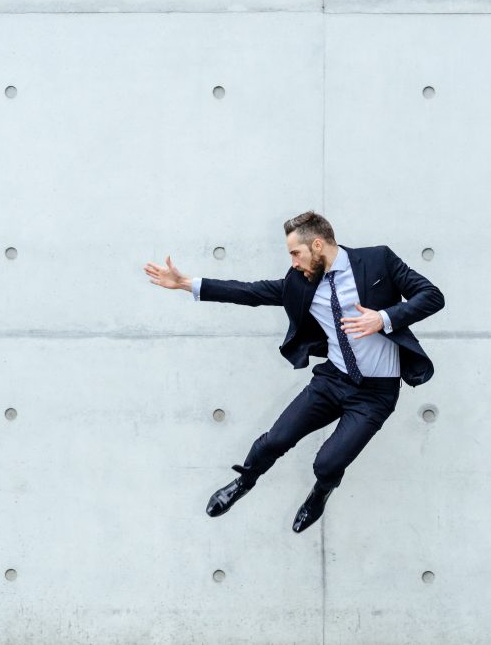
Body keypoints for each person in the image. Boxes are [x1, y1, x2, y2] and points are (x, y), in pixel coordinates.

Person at [142, 211, 444, 533]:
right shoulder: (299, 282)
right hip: (332, 380)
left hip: (375, 394)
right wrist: (186, 283)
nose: (293, 262)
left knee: (327, 464)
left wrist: (383, 318)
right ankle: (244, 481)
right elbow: (250, 292)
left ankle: (321, 492)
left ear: (317, 244)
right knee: (276, 440)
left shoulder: (377, 261)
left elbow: (432, 296)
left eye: (295, 253)